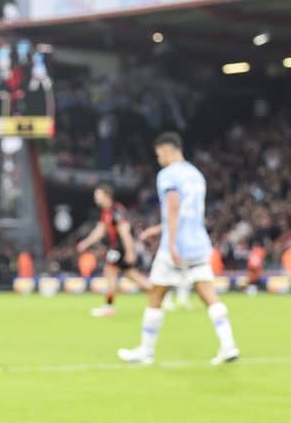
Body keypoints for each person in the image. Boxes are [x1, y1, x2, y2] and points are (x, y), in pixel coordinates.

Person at [118, 132, 239, 365]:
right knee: (209, 295)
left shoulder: (168, 175)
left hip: (175, 247)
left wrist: (171, 241)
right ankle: (229, 345)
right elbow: (188, 212)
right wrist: (159, 228)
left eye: (158, 154)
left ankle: (146, 351)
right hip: (198, 244)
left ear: (167, 149)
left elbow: (173, 208)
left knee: (156, 295)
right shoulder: (196, 174)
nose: (158, 159)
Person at [75, 184, 150, 316]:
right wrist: (86, 243)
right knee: (132, 275)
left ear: (107, 196)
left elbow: (125, 232)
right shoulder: (107, 212)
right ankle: (159, 294)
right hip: (117, 248)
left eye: (98, 195)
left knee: (109, 271)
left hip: (120, 248)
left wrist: (130, 251)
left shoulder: (116, 211)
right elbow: (100, 231)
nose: (95, 198)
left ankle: (109, 307)